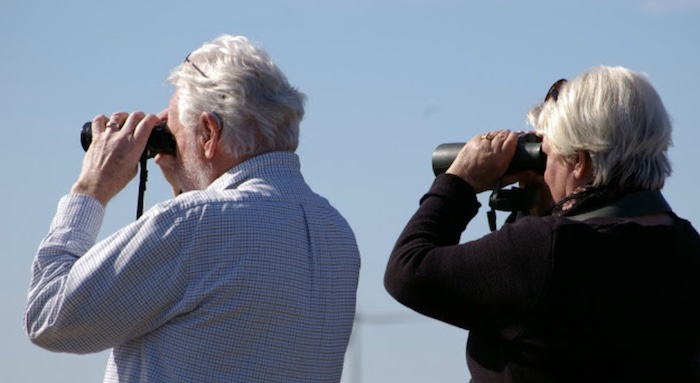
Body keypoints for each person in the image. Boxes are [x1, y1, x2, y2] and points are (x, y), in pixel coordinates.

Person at [24, 34, 361, 383]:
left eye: (173, 134)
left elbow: (49, 314)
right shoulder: (335, 233)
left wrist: (91, 189)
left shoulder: (195, 223)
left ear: (208, 133)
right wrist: (185, 185)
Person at [384, 66, 700, 382]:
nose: (543, 171)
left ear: (579, 161)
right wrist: (541, 206)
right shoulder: (686, 244)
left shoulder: (550, 249)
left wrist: (458, 182)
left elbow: (409, 271)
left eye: (546, 155)